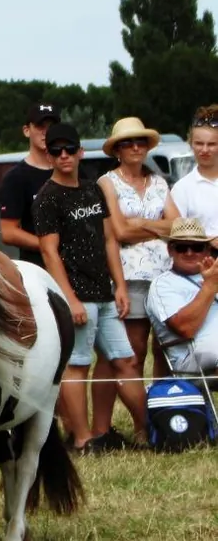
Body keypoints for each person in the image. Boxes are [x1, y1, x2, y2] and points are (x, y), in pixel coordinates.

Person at [34, 122, 147, 450]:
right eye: (56, 151)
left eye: (70, 149)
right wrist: (69, 299)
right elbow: (49, 252)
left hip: (105, 293)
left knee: (124, 360)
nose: (64, 155)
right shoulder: (47, 198)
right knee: (78, 364)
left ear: (81, 151)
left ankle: (144, 431)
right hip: (77, 296)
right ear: (49, 156)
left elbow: (110, 239)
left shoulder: (92, 189)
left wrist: (120, 286)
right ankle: (82, 439)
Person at [97, 117, 178, 389]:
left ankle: (162, 406)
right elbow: (119, 231)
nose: (134, 147)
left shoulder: (158, 182)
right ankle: (141, 420)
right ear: (117, 150)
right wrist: (158, 226)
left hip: (166, 275)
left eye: (140, 141)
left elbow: (178, 227)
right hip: (130, 276)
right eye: (127, 143)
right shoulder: (107, 183)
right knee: (136, 350)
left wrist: (140, 223)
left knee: (165, 348)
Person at [145, 218, 218, 375]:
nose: (189, 253)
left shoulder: (214, 275)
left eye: (197, 247)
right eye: (182, 248)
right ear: (170, 250)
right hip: (192, 359)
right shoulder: (163, 284)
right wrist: (210, 286)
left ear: (207, 250)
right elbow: (185, 328)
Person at [0, 102, 60, 265]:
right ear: (27, 130)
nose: (46, 132)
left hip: (77, 267)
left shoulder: (72, 170)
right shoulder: (16, 177)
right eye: (40, 126)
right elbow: (8, 232)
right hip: (39, 268)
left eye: (51, 126)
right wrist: (49, 247)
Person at [171, 104, 218, 246]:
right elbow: (177, 237)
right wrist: (209, 241)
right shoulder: (182, 189)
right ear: (191, 144)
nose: (204, 150)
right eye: (199, 143)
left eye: (211, 144)